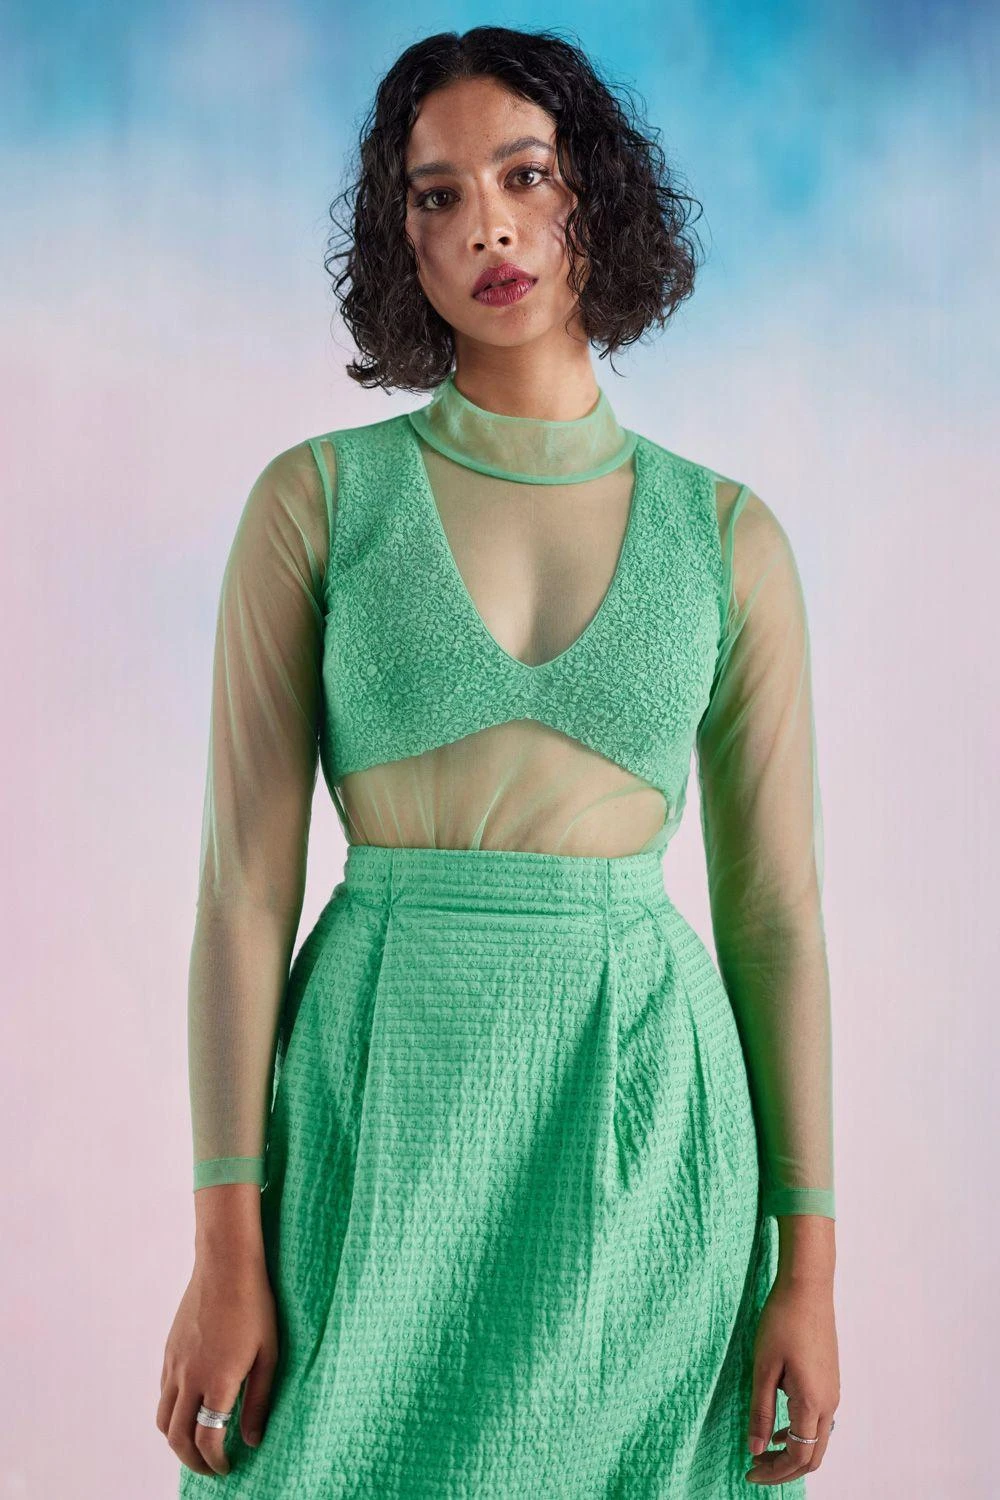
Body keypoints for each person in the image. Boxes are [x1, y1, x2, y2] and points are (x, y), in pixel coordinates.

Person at [157, 24, 840, 1497]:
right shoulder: (316, 505)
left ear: (598, 192)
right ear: (399, 237)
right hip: (374, 1120)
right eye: (438, 195)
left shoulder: (729, 538)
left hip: (643, 1132)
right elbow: (240, 900)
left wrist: (810, 1269)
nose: (489, 227)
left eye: (526, 176)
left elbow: (776, 917)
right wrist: (223, 1249)